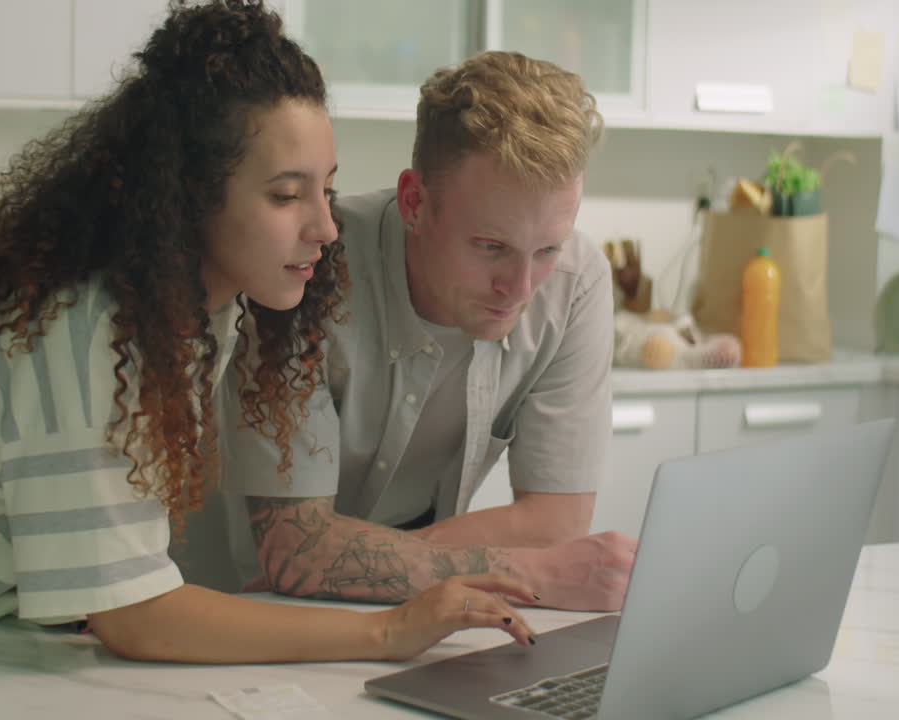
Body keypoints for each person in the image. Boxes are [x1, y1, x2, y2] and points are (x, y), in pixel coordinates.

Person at [0, 0, 538, 664]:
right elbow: (136, 617)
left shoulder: (192, 312)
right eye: (286, 194)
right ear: (189, 196)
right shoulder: (86, 332)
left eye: (326, 187)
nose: (324, 225)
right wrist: (388, 632)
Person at [190, 50, 637, 612]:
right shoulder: (302, 265)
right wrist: (523, 570)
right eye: (491, 247)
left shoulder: (576, 283)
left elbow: (557, 523)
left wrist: (335, 561)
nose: (521, 287)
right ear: (414, 203)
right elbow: (293, 551)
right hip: (232, 607)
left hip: (423, 611)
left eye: (547, 248)